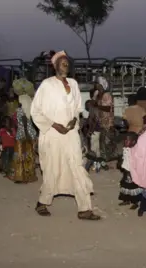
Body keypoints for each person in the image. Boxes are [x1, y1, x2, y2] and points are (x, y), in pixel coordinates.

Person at [31, 50, 99, 220]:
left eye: (67, 63)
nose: (65, 65)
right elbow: (35, 111)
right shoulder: (47, 85)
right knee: (52, 168)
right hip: (52, 134)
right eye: (62, 62)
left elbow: (77, 108)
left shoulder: (74, 84)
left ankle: (84, 208)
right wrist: (54, 125)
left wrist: (73, 121)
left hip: (70, 133)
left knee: (77, 165)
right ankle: (42, 202)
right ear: (55, 66)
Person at [10, 94, 38, 183]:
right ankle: (29, 175)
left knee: (20, 156)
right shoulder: (28, 111)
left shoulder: (20, 111)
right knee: (28, 156)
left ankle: (21, 176)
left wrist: (25, 135)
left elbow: (24, 124)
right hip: (29, 134)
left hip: (23, 135)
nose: (18, 102)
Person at [93, 81, 117, 163]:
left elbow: (109, 109)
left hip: (108, 121)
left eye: (98, 84)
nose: (96, 85)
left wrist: (98, 106)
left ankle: (110, 158)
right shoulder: (98, 94)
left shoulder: (107, 95)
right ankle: (105, 158)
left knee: (108, 140)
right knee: (102, 141)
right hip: (102, 121)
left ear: (102, 85)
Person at [117, 132, 142, 208]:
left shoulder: (136, 151)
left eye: (127, 140)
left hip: (133, 172)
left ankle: (135, 202)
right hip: (126, 171)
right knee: (125, 186)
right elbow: (124, 159)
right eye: (125, 140)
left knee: (134, 187)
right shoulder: (126, 149)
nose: (125, 142)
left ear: (134, 142)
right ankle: (126, 200)